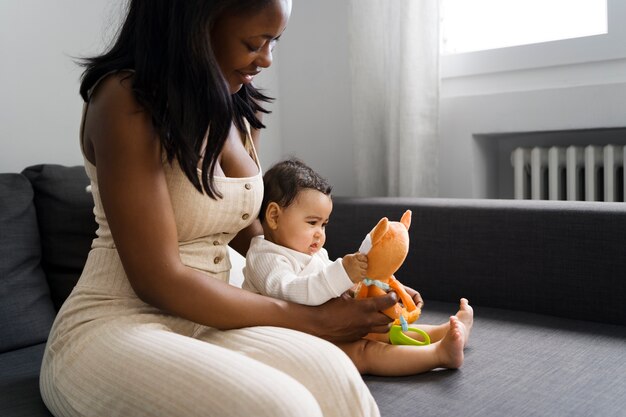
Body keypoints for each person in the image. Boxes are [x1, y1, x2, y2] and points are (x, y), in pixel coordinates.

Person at [38, 2, 408, 416]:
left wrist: (330, 285)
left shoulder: (236, 107)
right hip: (115, 324)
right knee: (285, 409)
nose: (267, 58)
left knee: (337, 380)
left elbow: (250, 233)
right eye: (255, 43)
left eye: (274, 42)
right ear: (195, 22)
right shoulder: (125, 101)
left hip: (212, 319)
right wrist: (314, 320)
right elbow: (157, 280)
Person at [242, 158, 474, 376]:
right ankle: (439, 355)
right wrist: (342, 272)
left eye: (324, 225)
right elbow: (292, 292)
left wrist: (380, 285)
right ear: (273, 216)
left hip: (323, 327)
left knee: (382, 328)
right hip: (290, 340)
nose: (319, 234)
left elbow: (338, 285)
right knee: (365, 351)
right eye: (312, 222)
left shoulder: (312, 253)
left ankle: (444, 332)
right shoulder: (265, 257)